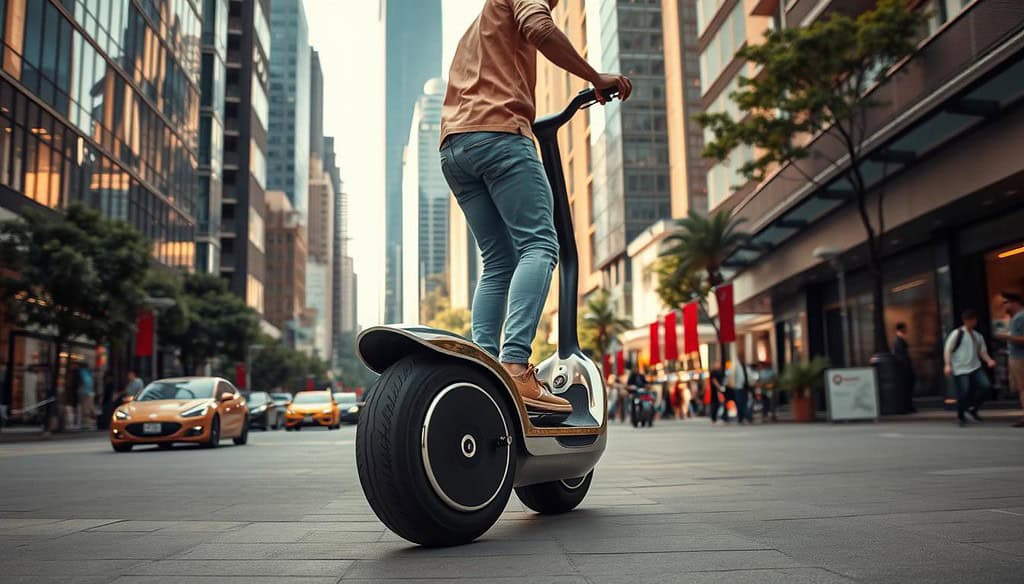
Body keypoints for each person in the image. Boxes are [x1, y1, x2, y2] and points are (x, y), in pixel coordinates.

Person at [440, 0, 632, 412]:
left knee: (497, 262)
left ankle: (483, 367)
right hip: (500, 135)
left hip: (455, 148)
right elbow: (539, 28)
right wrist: (595, 77)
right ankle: (514, 365)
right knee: (541, 246)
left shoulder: (476, 30)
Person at [943, 309, 996, 427]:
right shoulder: (957, 333)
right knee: (963, 392)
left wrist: (989, 361)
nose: (972, 322)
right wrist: (947, 365)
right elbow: (948, 349)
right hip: (960, 368)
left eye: (974, 320)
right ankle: (961, 416)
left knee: (986, 386)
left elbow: (982, 352)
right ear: (965, 321)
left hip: (975, 367)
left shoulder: (978, 336)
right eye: (970, 320)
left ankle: (973, 408)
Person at [994, 292, 1024, 428]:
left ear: (1014, 303)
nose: (1004, 305)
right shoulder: (1015, 318)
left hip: (1020, 357)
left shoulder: (1020, 317)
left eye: (1005, 302)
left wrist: (1005, 337)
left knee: (1023, 388)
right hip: (1016, 356)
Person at [893, 322, 917, 413]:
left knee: (907, 388)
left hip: (904, 368)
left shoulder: (899, 340)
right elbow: (902, 356)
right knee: (906, 388)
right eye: (905, 328)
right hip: (904, 369)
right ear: (901, 329)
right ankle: (907, 407)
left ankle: (908, 406)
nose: (906, 330)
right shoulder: (898, 340)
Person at [727, 357, 755, 424]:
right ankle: (744, 417)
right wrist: (732, 384)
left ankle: (742, 417)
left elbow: (750, 376)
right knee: (739, 403)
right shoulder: (736, 367)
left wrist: (752, 383)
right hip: (738, 387)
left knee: (745, 402)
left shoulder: (746, 367)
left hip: (745, 387)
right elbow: (731, 375)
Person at [78, 364, 95, 430]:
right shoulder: (89, 373)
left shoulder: (81, 372)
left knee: (84, 409)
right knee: (89, 408)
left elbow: (80, 382)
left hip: (84, 392)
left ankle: (85, 423)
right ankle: (88, 423)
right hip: (90, 392)